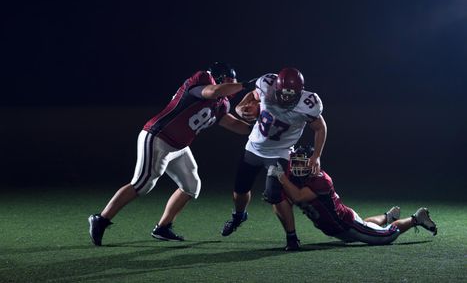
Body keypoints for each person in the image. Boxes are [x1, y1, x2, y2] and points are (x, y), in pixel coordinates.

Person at [88, 62, 255, 246]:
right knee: (143, 184)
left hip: (179, 146)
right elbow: (212, 91)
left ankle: (163, 227)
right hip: (159, 136)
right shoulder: (203, 79)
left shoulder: (221, 104)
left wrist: (259, 129)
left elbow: (231, 123)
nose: (235, 86)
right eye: (232, 81)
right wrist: (247, 85)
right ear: (222, 78)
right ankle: (101, 219)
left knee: (191, 186)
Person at [221, 67, 327, 251]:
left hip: (280, 152)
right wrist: (240, 109)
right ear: (275, 87)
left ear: (300, 92)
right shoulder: (266, 84)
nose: (286, 98)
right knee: (239, 191)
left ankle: (292, 237)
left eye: (291, 95)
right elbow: (253, 95)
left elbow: (320, 127)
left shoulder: (309, 103)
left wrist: (316, 155)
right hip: (254, 147)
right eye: (282, 94)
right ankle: (239, 215)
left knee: (275, 195)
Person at [267, 146, 438, 245]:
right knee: (365, 225)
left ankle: (416, 218)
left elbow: (296, 197)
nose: (298, 167)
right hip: (337, 227)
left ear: (314, 163)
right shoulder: (295, 179)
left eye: (302, 164)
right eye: (295, 163)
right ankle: (388, 216)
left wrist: (280, 177)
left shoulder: (321, 180)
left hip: (346, 224)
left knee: (387, 236)